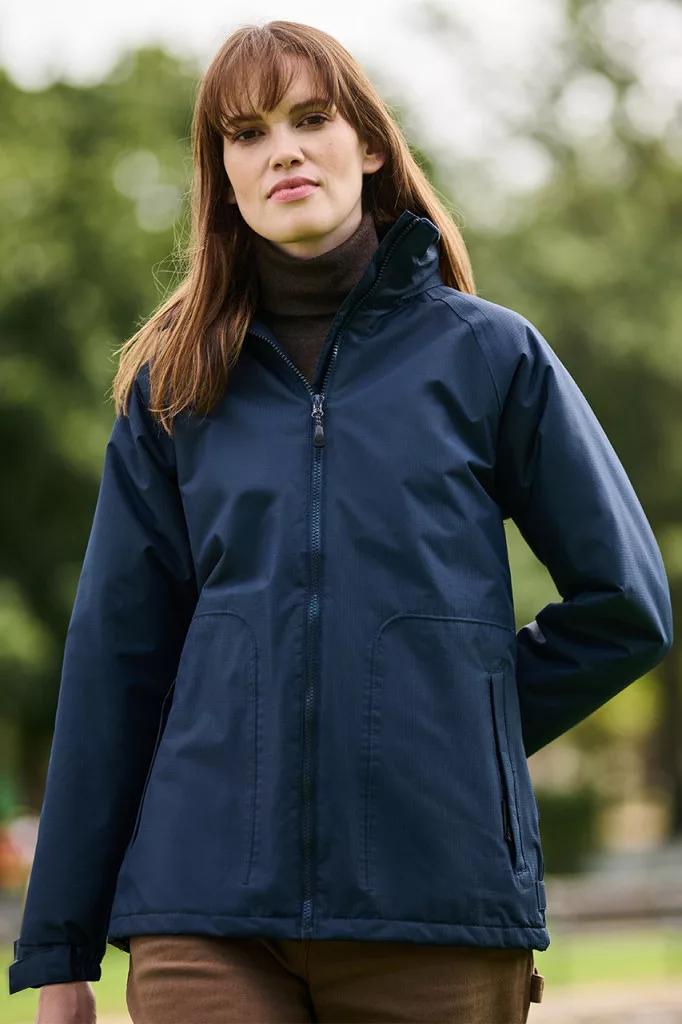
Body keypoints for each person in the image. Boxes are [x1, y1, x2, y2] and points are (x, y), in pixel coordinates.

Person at [8, 18, 673, 1024]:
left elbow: (625, 606)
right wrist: (58, 947)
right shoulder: (173, 388)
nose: (281, 149)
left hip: (434, 903)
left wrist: (457, 728)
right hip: (201, 907)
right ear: (223, 175)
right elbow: (114, 660)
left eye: (309, 118)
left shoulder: (489, 357)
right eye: (247, 133)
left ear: (366, 145)